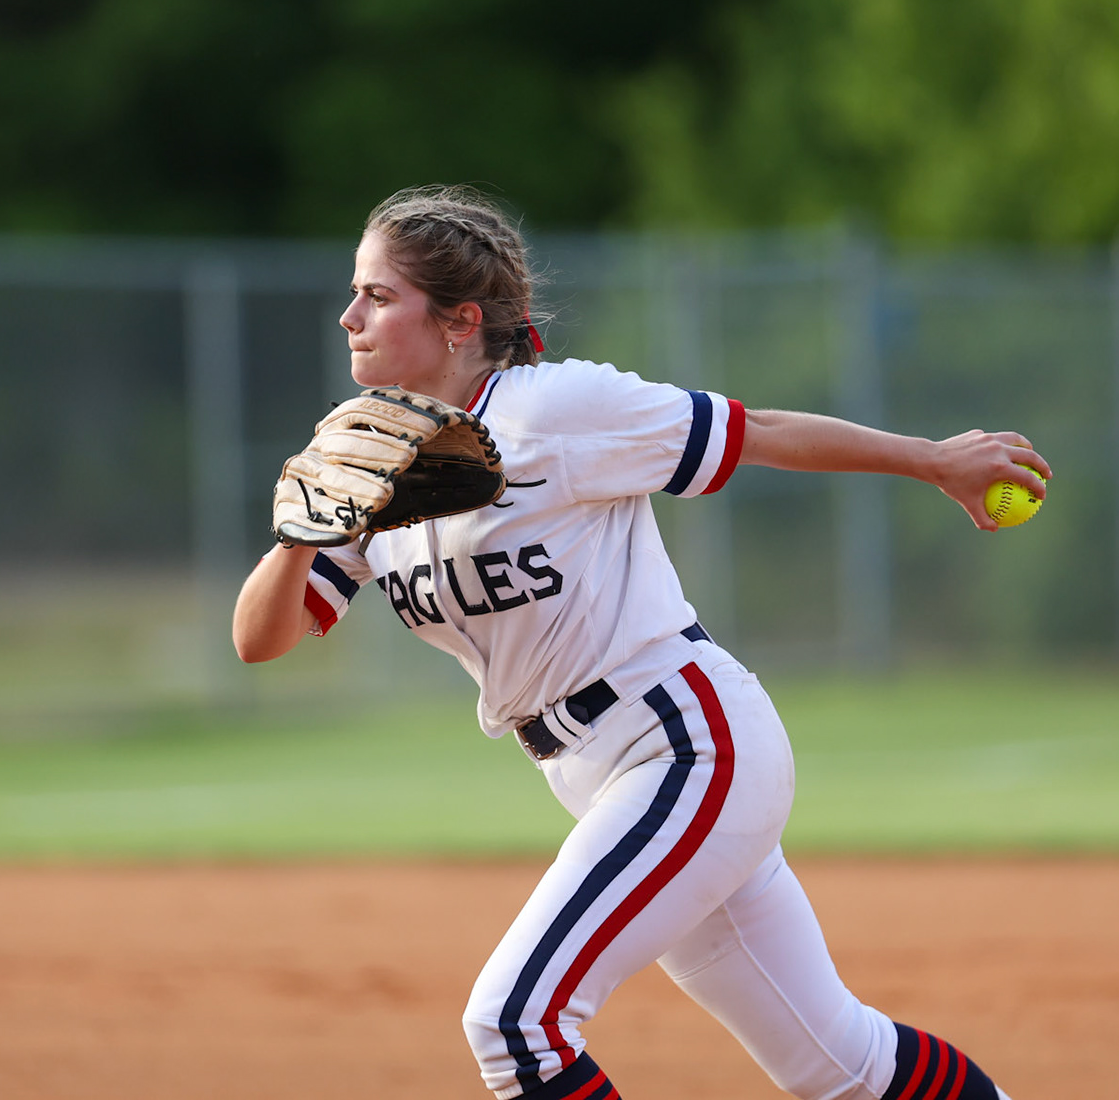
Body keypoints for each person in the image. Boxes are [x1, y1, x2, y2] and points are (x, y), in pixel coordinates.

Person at [233, 186, 1047, 1100]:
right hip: (597, 774)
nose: (350, 315)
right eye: (355, 291)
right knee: (840, 1063)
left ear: (460, 321)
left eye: (378, 294)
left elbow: (760, 433)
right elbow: (263, 641)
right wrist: (300, 534)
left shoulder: (555, 411)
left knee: (514, 1024)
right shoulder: (367, 459)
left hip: (687, 743)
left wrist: (933, 460)